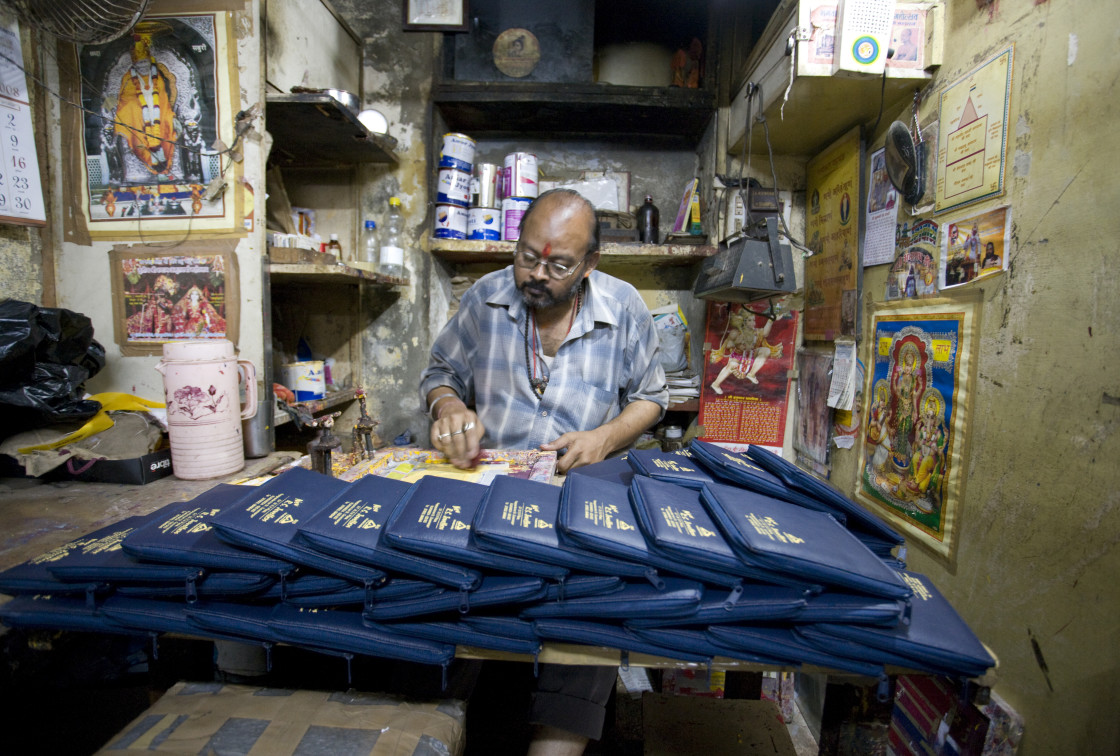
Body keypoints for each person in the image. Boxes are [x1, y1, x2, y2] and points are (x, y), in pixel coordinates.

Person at [419, 188, 668, 754]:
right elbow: (440, 372)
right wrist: (450, 407)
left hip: (581, 500)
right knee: (448, 615)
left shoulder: (623, 306)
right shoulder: (486, 299)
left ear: (590, 264)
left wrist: (605, 436)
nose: (536, 274)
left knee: (588, 618)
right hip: (491, 494)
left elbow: (653, 397)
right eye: (527, 256)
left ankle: (557, 737)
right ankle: (434, 725)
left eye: (557, 265)